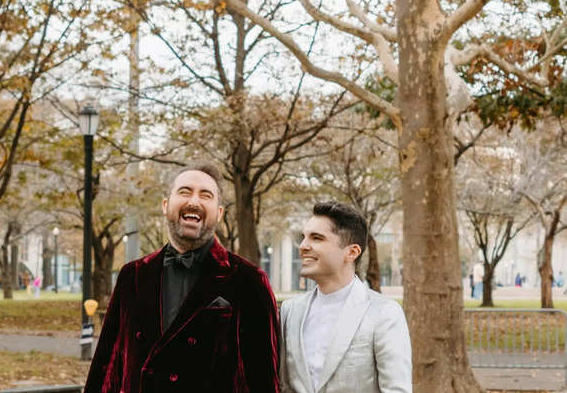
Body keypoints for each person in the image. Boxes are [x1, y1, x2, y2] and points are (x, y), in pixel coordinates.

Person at [84, 163, 280, 393]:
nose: (194, 201)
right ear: (166, 206)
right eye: (185, 191)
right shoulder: (132, 276)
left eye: (205, 195)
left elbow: (263, 378)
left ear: (218, 214)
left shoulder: (249, 280)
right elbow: (106, 367)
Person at [280, 201, 411, 393]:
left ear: (351, 252)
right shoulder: (289, 311)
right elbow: (284, 385)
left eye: (316, 238)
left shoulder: (384, 313)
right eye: (304, 237)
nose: (303, 246)